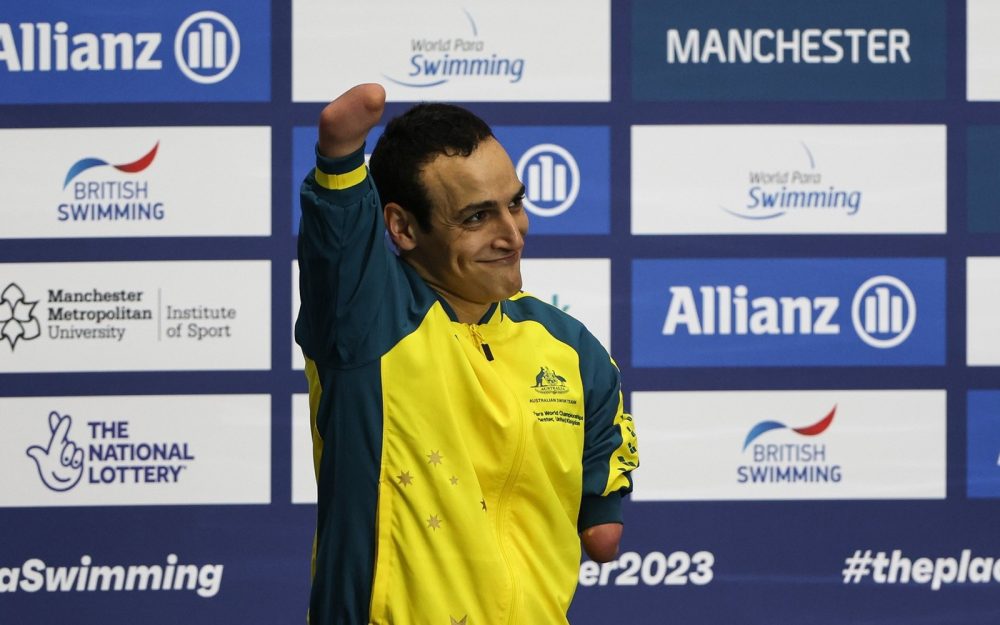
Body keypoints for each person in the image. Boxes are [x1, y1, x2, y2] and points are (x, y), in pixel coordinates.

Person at [295, 83, 638, 625]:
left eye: (515, 204)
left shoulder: (574, 351)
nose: (512, 234)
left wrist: (598, 504)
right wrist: (339, 164)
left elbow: (602, 529)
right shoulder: (369, 325)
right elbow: (336, 253)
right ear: (403, 228)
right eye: (477, 217)